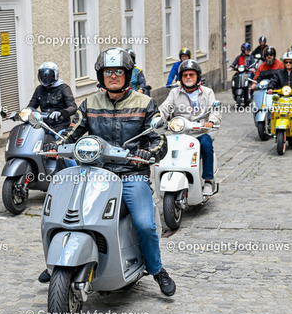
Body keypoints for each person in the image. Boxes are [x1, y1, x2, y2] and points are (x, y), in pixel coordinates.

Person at [41, 47, 175, 297]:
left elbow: (159, 139)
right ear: (101, 75)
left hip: (131, 174)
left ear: (127, 74)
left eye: (118, 71)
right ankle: (60, 261)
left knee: (145, 224)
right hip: (95, 173)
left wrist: (148, 153)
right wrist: (56, 145)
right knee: (65, 212)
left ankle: (157, 269)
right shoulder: (90, 103)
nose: (113, 76)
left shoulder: (145, 103)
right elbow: (73, 131)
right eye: (108, 71)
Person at [158, 60, 221, 196]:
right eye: (185, 75)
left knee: (206, 144)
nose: (188, 77)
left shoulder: (207, 92)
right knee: (162, 145)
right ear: (180, 77)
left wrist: (211, 121)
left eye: (191, 75)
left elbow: (215, 110)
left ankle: (208, 180)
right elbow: (164, 108)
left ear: (197, 76)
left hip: (200, 132)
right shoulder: (174, 93)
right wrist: (157, 118)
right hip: (179, 133)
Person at [27, 62, 77, 134]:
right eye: (43, 76)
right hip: (43, 126)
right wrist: (22, 114)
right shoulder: (39, 89)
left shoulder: (64, 88)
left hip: (60, 126)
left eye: (48, 76)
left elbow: (73, 107)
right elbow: (31, 106)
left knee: (61, 140)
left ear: (55, 75)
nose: (45, 78)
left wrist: (61, 113)